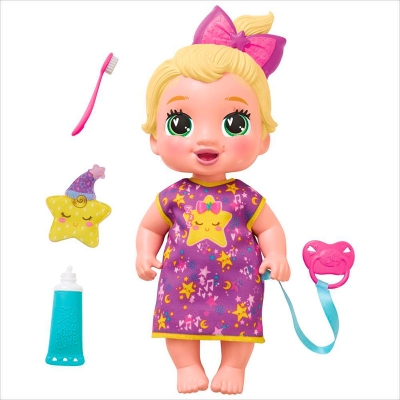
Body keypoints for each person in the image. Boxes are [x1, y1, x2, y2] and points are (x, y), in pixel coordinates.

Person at [136, 5, 290, 395]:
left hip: (238, 280)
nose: (207, 138)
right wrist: (144, 252)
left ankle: (233, 366)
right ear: (155, 138)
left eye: (234, 123)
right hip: (181, 279)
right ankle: (186, 365)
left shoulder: (245, 197)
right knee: (178, 326)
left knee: (240, 327)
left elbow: (269, 227)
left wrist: (277, 255)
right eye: (181, 123)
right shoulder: (173, 196)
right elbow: (150, 227)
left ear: (263, 138)